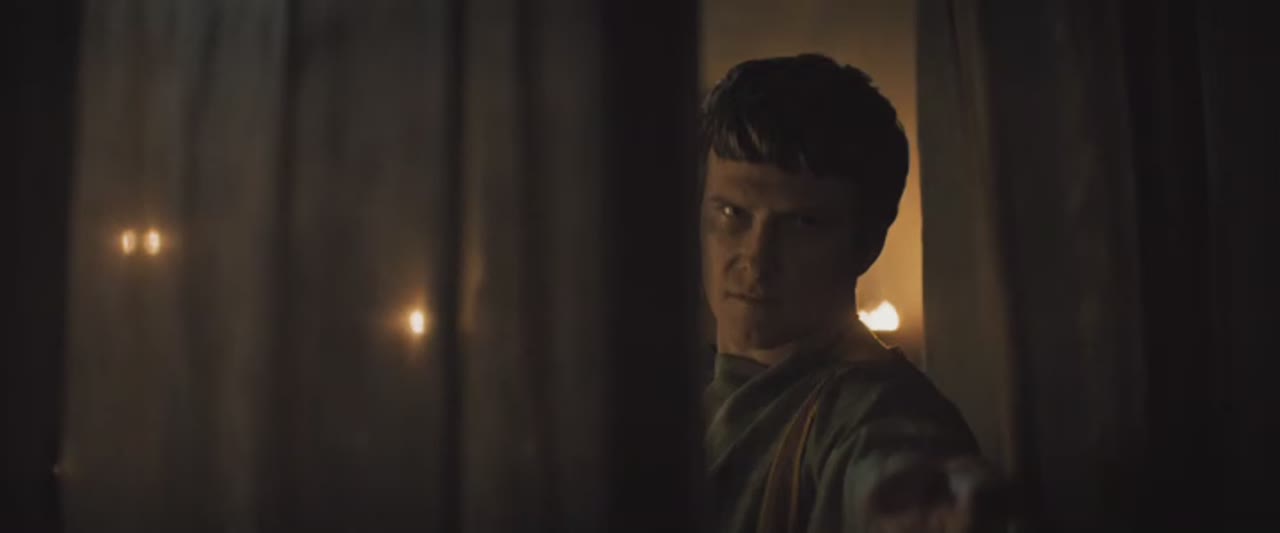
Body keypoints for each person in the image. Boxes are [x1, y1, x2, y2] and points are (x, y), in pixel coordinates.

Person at [701, 54, 1004, 533]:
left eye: (802, 224)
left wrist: (926, 507)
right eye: (732, 214)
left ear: (866, 244)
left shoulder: (874, 412)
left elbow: (892, 461)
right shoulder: (664, 386)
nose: (755, 258)